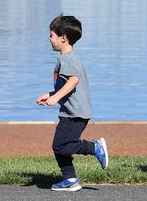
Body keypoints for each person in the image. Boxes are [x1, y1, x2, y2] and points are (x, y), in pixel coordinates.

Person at [37, 14, 109, 192]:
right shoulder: (68, 57)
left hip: (74, 113)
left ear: (63, 38)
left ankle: (94, 147)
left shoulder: (67, 59)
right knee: (60, 146)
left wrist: (55, 98)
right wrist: (50, 94)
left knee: (60, 146)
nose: (49, 38)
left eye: (52, 35)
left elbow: (73, 81)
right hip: (72, 111)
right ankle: (69, 179)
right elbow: (68, 86)